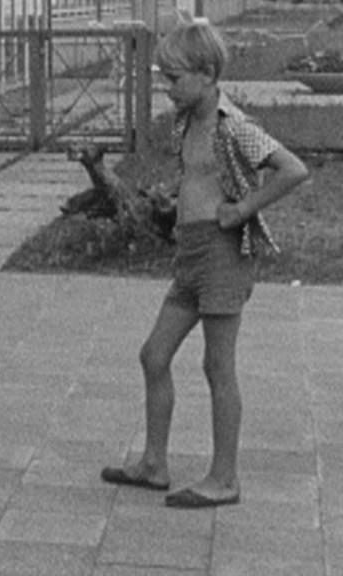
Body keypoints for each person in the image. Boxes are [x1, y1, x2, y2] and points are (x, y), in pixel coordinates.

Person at [100, 21, 310, 508]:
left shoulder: (232, 125)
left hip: (221, 257)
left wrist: (242, 209)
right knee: (154, 355)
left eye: (174, 79)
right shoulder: (186, 121)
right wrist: (176, 201)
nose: (167, 89)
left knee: (217, 366)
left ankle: (225, 477)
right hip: (189, 255)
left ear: (207, 73)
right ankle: (154, 463)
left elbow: (293, 170)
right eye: (164, 78)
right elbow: (197, 176)